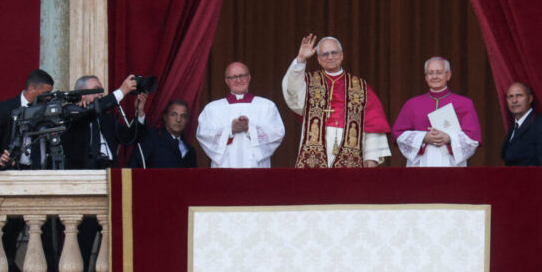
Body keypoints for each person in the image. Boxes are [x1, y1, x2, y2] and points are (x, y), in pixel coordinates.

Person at [282, 35, 391, 168]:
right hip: (314, 148)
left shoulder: (361, 87)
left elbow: (373, 124)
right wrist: (301, 60)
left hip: (352, 149)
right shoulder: (308, 82)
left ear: (342, 55)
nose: (330, 57)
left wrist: (372, 157)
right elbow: (292, 93)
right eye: (325, 54)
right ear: (318, 59)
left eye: (334, 52)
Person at [392, 57, 481, 167]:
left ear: (448, 75)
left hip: (451, 162)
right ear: (425, 77)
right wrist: (424, 137)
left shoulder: (464, 103)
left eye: (439, 73)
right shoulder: (412, 104)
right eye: (430, 73)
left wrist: (448, 137)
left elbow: (473, 137)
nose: (434, 77)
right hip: (420, 162)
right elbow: (398, 134)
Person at [196, 62, 285, 168]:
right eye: (233, 77)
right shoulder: (212, 108)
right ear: (227, 81)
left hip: (256, 167)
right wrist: (230, 130)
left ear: (249, 77)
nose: (238, 80)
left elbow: (277, 133)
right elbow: (203, 134)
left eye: (242, 76)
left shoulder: (267, 106)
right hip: (224, 167)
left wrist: (250, 129)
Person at [62, 74, 141, 169]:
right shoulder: (73, 114)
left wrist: (140, 112)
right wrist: (122, 91)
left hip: (110, 170)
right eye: (96, 89)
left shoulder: (107, 118)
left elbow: (130, 137)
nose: (101, 94)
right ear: (82, 95)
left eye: (101, 90)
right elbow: (93, 110)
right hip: (83, 173)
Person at [0, 69, 54, 170]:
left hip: (43, 172)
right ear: (31, 89)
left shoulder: (50, 109)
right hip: (12, 172)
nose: (48, 97)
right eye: (46, 93)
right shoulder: (5, 109)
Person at [500, 82, 542, 167]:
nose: (514, 100)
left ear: (530, 99)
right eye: (510, 97)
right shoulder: (514, 128)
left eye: (519, 96)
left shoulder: (540, 125)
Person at [128, 99, 197, 168]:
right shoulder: (151, 139)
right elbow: (134, 168)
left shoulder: (190, 150)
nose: (178, 120)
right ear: (165, 117)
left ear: (187, 120)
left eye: (183, 116)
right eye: (174, 114)